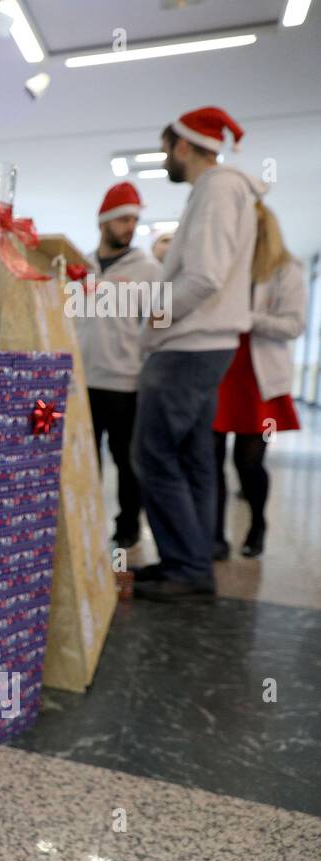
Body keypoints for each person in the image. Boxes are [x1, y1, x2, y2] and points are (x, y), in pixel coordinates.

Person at [131, 106, 259, 602]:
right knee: (192, 460)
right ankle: (189, 560)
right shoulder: (223, 191)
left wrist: (153, 324)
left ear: (184, 145)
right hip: (206, 346)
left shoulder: (217, 188)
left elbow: (202, 278)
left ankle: (186, 567)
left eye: (166, 149)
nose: (166, 159)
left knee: (152, 455)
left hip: (187, 348)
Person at [212, 203, 305, 559]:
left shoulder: (286, 270)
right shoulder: (224, 266)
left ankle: (257, 525)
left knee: (248, 462)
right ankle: (214, 537)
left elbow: (294, 325)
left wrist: (248, 318)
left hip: (260, 384)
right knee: (210, 459)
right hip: (221, 374)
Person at [75, 182, 162, 549]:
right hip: (83, 381)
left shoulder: (150, 269)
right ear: (103, 221)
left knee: (128, 462)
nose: (130, 226)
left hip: (126, 382)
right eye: (123, 219)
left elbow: (161, 322)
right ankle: (86, 522)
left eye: (134, 220)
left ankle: (127, 528)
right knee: (85, 459)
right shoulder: (80, 266)